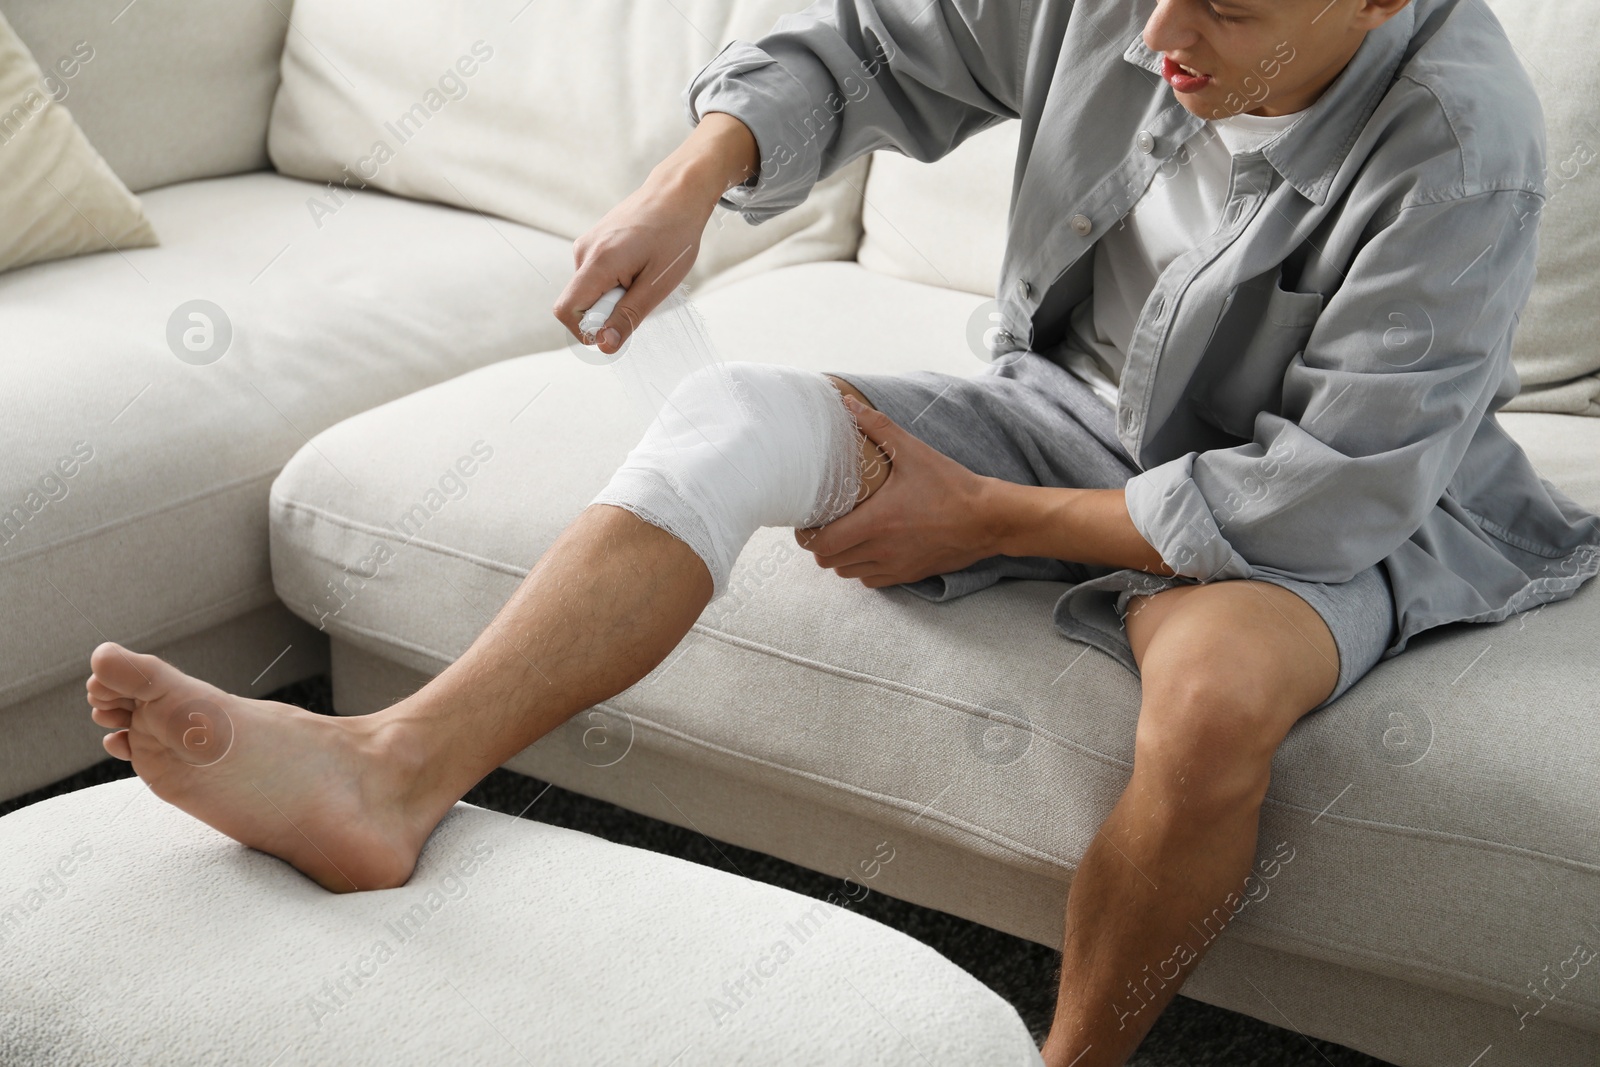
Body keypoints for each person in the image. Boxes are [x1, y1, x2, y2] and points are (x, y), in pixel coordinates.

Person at [85, 0, 1600, 1064]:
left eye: (1225, 9)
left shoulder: (1463, 141)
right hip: (1070, 403)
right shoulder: (1142, 4)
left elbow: (1338, 486)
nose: (1158, 38)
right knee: (743, 412)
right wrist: (698, 179)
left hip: (1334, 487)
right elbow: (879, 41)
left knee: (1209, 706)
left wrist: (981, 517)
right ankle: (387, 769)